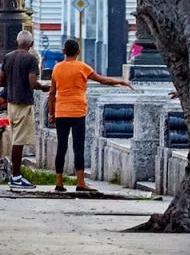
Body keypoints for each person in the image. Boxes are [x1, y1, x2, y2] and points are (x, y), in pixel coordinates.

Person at [48, 38, 132, 192]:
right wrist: (121, 82)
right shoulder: (83, 67)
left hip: (61, 111)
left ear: (63, 52)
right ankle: (80, 183)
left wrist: (50, 113)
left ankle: (59, 183)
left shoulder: (57, 68)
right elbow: (102, 80)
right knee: (78, 147)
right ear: (78, 52)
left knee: (61, 147)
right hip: (78, 112)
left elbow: (52, 93)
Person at [0, 30, 48, 190]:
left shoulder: (8, 57)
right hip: (23, 103)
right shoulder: (31, 59)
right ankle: (16, 177)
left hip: (11, 103)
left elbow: (1, 80)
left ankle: (16, 176)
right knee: (18, 142)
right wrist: (43, 87)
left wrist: (12, 83)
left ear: (17, 42)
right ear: (31, 44)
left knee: (16, 139)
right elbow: (33, 83)